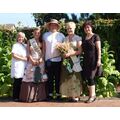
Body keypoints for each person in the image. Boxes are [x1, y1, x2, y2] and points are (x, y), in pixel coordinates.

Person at [19, 27, 47, 102]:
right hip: (31, 62)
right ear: (33, 33)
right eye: (35, 32)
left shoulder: (43, 41)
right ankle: (29, 97)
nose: (36, 34)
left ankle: (39, 97)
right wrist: (32, 60)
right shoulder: (30, 41)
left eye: (38, 33)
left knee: (39, 78)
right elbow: (28, 52)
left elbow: (44, 52)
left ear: (40, 34)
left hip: (40, 62)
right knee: (30, 77)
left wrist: (41, 59)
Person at [59, 22, 83, 102]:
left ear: (74, 28)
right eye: (68, 28)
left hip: (75, 61)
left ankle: (76, 95)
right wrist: (64, 55)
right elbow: (62, 50)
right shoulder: (64, 39)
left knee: (75, 78)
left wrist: (70, 53)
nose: (69, 29)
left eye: (71, 28)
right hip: (67, 61)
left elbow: (80, 51)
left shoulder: (78, 38)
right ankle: (69, 95)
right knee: (67, 78)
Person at [43, 19, 65, 100]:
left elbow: (64, 49)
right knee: (50, 78)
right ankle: (50, 93)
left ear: (57, 26)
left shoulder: (61, 35)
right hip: (48, 60)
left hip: (58, 59)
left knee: (58, 77)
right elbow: (44, 48)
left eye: (55, 25)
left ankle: (58, 94)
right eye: (51, 25)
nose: (53, 26)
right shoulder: (45, 35)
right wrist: (43, 58)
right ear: (49, 26)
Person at [82, 21, 101, 103]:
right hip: (86, 60)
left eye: (88, 27)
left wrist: (99, 59)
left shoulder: (96, 37)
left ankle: (92, 96)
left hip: (93, 60)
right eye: (85, 27)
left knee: (91, 77)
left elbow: (99, 49)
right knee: (88, 78)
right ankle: (92, 95)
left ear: (91, 28)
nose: (87, 29)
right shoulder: (84, 38)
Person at [11, 32, 27, 101]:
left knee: (22, 81)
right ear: (17, 37)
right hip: (17, 65)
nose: (21, 38)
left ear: (24, 38)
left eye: (22, 37)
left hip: (23, 65)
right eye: (19, 37)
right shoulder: (15, 45)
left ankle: (20, 96)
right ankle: (15, 97)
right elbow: (13, 55)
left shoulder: (25, 45)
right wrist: (23, 58)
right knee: (17, 81)